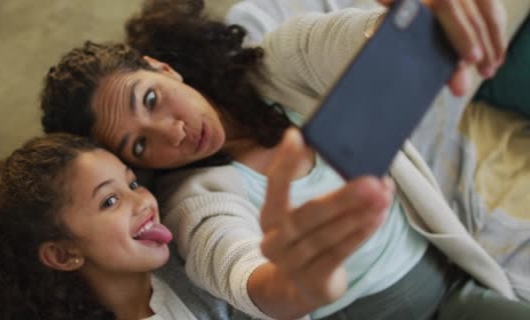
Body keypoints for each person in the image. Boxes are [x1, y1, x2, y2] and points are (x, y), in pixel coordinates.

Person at [39, 0, 529, 319]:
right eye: (140, 145)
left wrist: (405, 23)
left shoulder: (273, 68)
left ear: (162, 68)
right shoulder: (195, 199)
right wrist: (289, 283)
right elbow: (235, 265)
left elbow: (336, 41)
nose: (174, 132)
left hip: (452, 280)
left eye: (149, 100)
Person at [0, 133, 250, 320]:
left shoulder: (194, 269)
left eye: (133, 183)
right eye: (110, 201)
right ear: (63, 254)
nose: (142, 202)